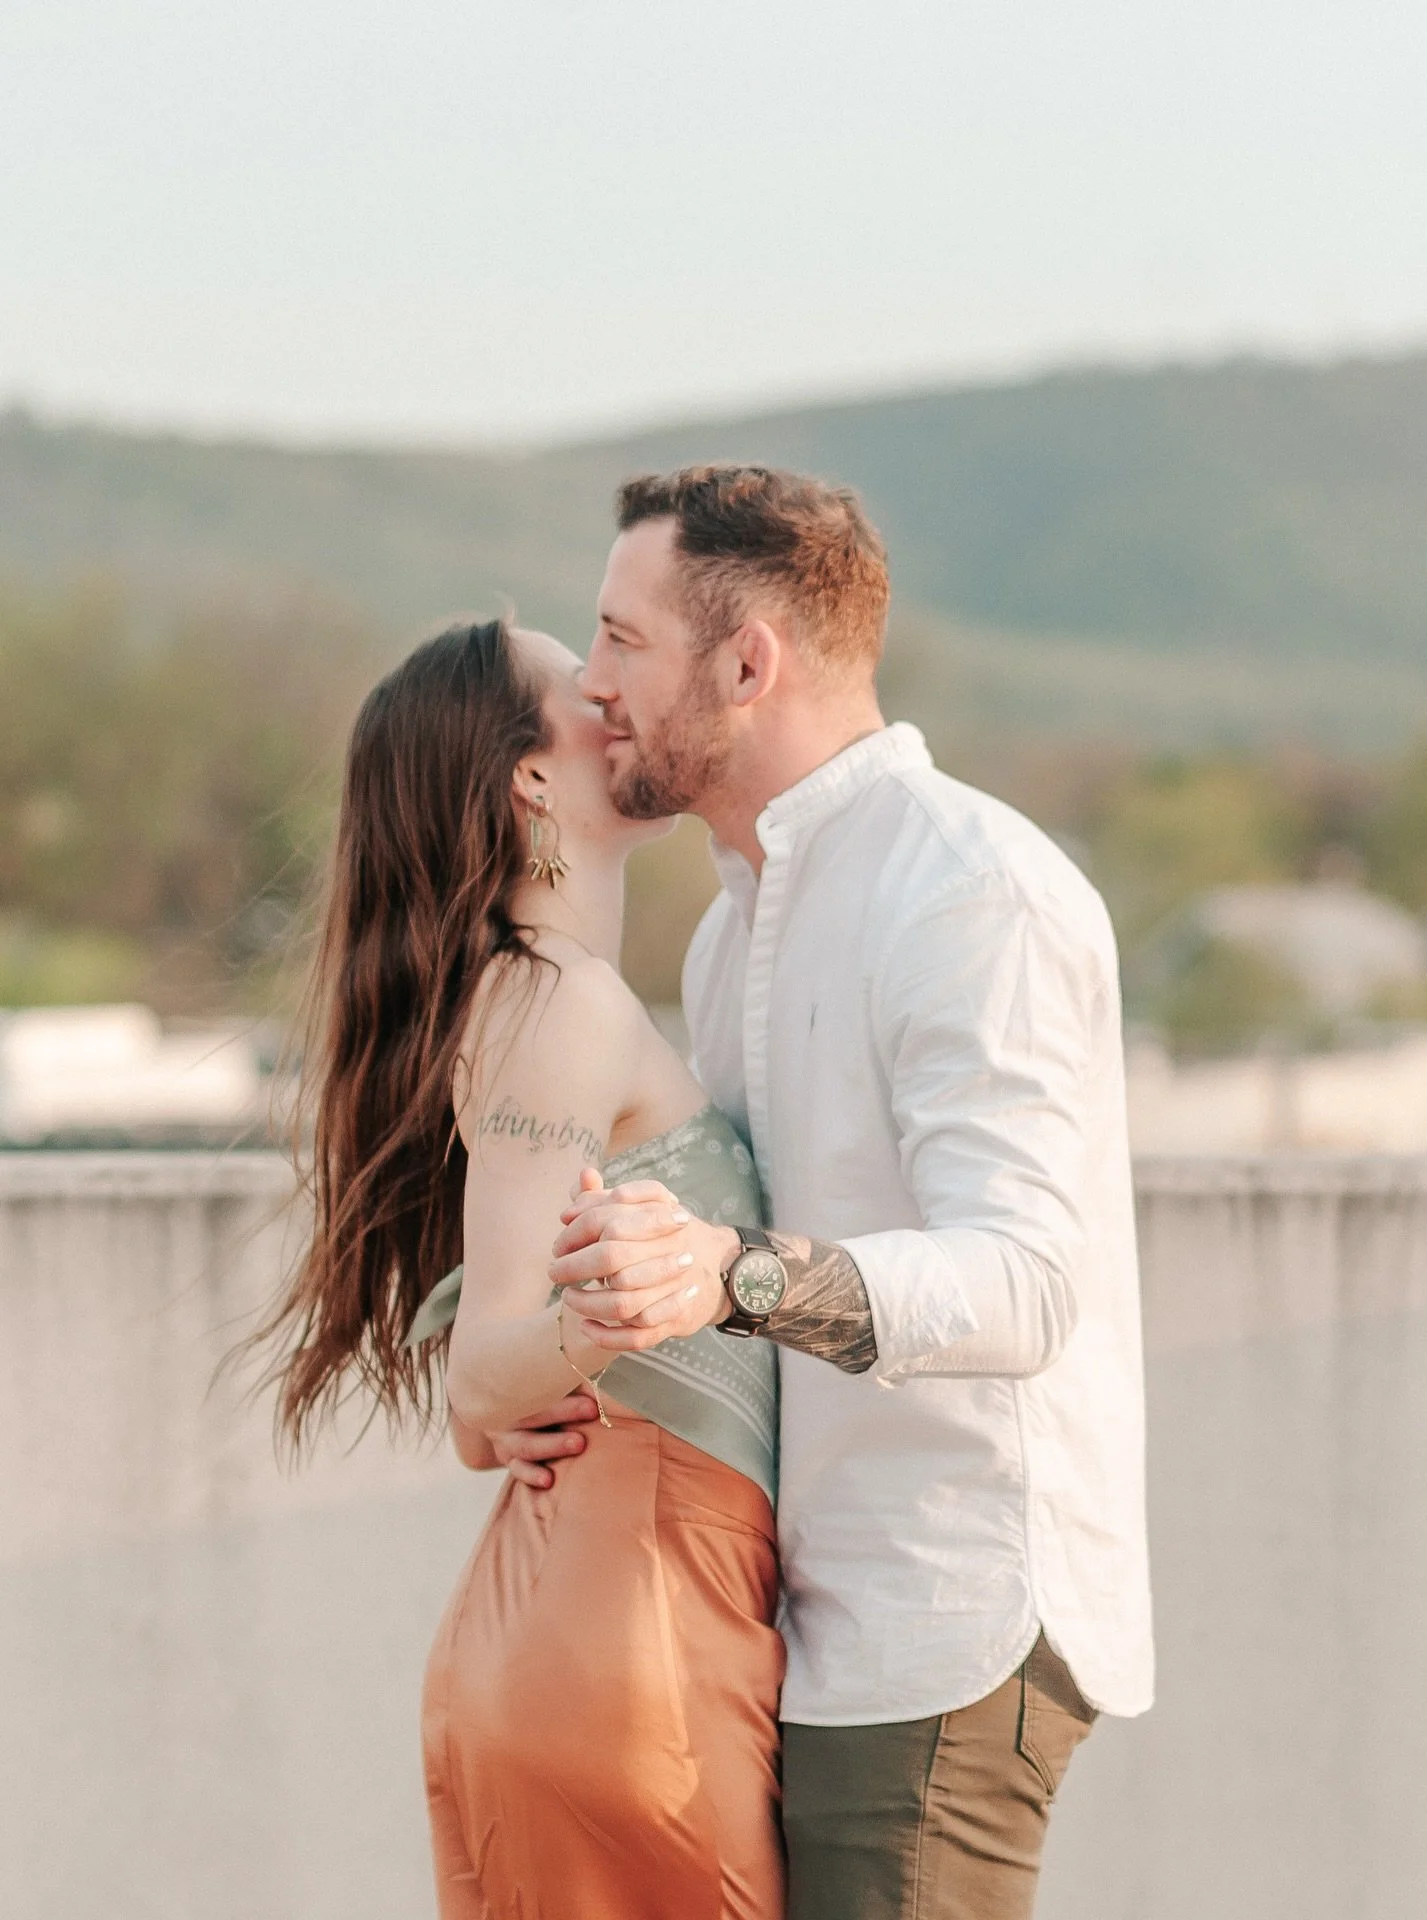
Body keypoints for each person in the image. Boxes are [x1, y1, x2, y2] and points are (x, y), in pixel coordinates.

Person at [493, 465, 1156, 1920]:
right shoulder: (731, 939)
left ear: (747, 663)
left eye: (623, 640)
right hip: (795, 1621)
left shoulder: (971, 888)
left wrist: (730, 1273)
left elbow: (1030, 1282)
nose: (595, 684)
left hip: (944, 1622)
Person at [253, 616, 793, 1920]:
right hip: (630, 1641)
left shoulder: (537, 997)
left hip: (599, 1629)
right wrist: (627, 1310)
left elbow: (476, 1404)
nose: (614, 692)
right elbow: (492, 1368)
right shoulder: (559, 1003)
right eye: (577, 686)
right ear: (530, 782)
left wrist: (547, 1365)